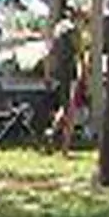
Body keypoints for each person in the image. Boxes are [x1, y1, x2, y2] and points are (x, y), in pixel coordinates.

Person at [44, 13, 85, 153]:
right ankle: (65, 146)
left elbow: (49, 53)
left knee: (65, 106)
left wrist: (47, 74)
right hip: (71, 73)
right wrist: (84, 72)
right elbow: (80, 53)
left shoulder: (58, 29)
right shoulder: (73, 31)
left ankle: (51, 132)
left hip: (59, 73)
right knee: (71, 110)